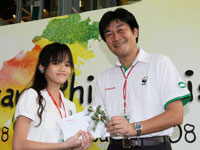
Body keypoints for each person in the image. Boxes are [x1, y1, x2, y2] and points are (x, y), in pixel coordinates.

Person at [92, 8, 191, 150]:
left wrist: (134, 128)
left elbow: (176, 115)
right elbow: (96, 121)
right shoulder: (104, 78)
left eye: (120, 30)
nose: (116, 37)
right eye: (109, 34)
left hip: (154, 146)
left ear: (135, 32)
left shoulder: (159, 63)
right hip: (115, 146)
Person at [13, 43, 93, 150]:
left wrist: (82, 147)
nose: (62, 69)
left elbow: (68, 145)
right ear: (42, 67)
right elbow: (18, 145)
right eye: (56, 63)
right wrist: (64, 145)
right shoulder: (32, 95)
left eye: (67, 65)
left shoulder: (70, 106)